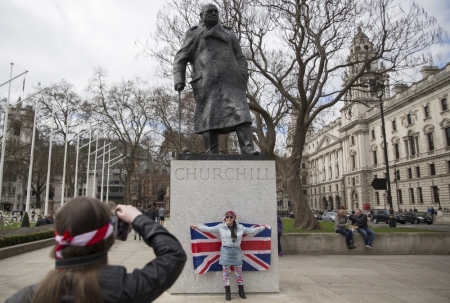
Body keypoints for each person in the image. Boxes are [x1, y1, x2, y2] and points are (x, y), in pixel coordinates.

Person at [5, 196, 186, 303]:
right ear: (108, 239)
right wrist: (138, 218)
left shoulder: (27, 297)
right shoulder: (124, 289)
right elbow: (174, 254)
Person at [173, 3, 259, 155]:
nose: (213, 14)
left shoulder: (229, 33)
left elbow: (240, 57)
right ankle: (211, 151)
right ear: (202, 16)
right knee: (209, 115)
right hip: (206, 82)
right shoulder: (194, 34)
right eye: (209, 12)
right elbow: (181, 57)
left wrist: (242, 75)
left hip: (232, 82)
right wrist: (179, 78)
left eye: (215, 12)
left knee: (241, 112)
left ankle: (247, 147)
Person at [191, 210, 268, 301]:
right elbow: (208, 229)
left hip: (236, 252)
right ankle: (228, 293)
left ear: (234, 218)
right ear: (225, 218)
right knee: (226, 273)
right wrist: (197, 227)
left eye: (231, 217)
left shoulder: (240, 227)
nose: (229, 218)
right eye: (227, 217)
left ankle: (241, 291)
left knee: (239, 273)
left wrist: (263, 228)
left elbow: (252, 231)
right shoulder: (221, 227)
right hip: (225, 252)